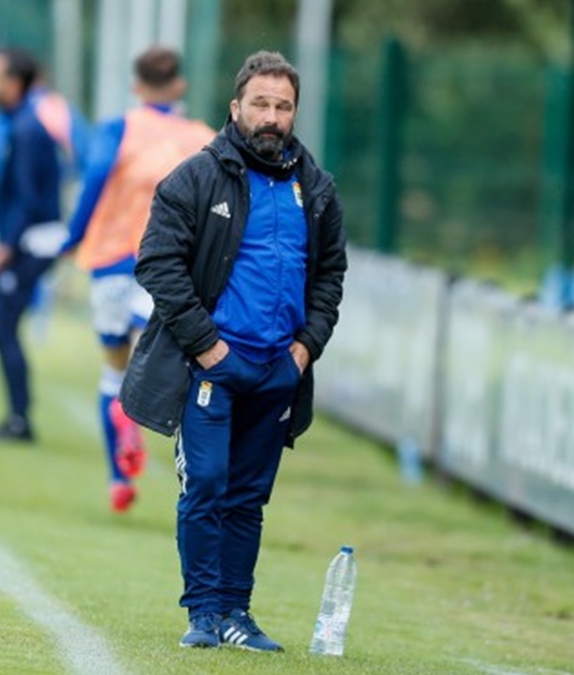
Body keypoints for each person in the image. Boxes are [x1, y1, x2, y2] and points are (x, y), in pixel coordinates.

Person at [119, 51, 347, 650]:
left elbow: (330, 278)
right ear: (235, 108)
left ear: (295, 112)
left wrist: (304, 351)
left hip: (279, 369)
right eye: (261, 104)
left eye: (283, 106)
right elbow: (157, 264)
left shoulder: (316, 189)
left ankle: (236, 614)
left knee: (248, 495)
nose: (271, 117)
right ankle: (202, 614)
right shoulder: (196, 177)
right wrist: (209, 347)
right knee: (208, 484)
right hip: (213, 366)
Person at [61, 46, 215, 513]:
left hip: (110, 258)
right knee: (152, 351)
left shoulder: (118, 127)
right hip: (166, 264)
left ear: (135, 86)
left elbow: (94, 179)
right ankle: (133, 418)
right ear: (180, 86)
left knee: (113, 368)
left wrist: (72, 237)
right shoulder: (201, 138)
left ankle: (116, 478)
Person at [0, 46, 64, 442]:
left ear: (13, 83)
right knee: (2, 325)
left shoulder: (28, 129)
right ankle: (18, 417)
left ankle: (20, 420)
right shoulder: (17, 123)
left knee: (3, 324)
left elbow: (28, 199)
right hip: (24, 240)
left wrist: (4, 248)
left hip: (33, 243)